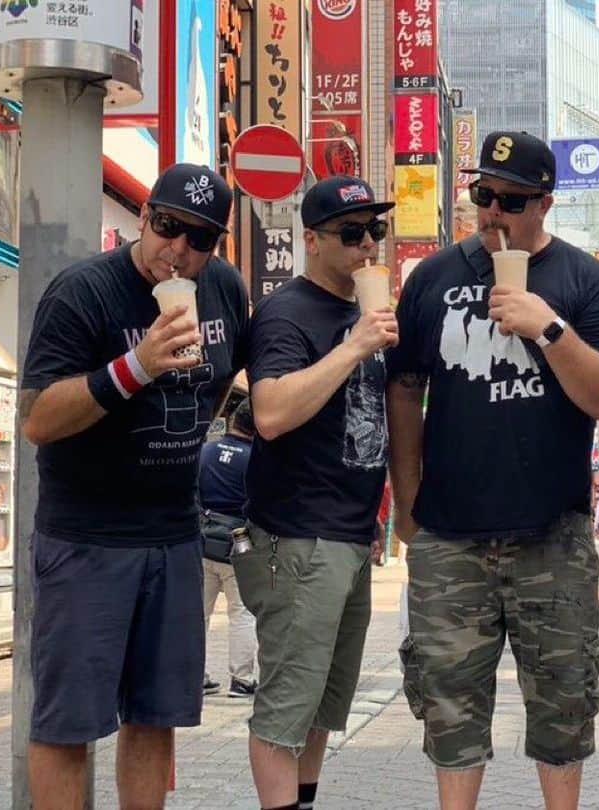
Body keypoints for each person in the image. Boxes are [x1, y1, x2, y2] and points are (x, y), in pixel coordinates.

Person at [387, 130, 599, 810]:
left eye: (511, 200)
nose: (492, 212)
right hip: (449, 533)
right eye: (483, 195)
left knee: (563, 702)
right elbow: (404, 388)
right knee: (447, 703)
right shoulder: (435, 277)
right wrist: (406, 498)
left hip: (550, 533)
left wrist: (548, 328)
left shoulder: (585, 280)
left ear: (545, 204)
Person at [19, 163, 248, 810]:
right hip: (87, 538)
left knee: (154, 718)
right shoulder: (83, 292)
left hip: (177, 537)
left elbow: (233, 383)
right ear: (143, 218)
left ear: (216, 247)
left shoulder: (224, 291)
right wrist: (136, 366)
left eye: (199, 239)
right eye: (169, 227)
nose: (178, 249)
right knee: (68, 724)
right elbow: (37, 418)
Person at [234, 175, 397, 810]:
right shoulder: (287, 312)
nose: (367, 247)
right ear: (310, 240)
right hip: (301, 535)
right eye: (351, 234)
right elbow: (269, 412)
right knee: (284, 709)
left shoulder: (364, 310)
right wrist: (355, 346)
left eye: (374, 231)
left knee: (326, 704)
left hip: (350, 536)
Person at [199, 398, 257, 698]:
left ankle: (194, 677)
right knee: (242, 613)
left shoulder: (205, 451)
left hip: (203, 539)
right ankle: (242, 679)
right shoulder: (255, 459)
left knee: (198, 614)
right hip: (240, 543)